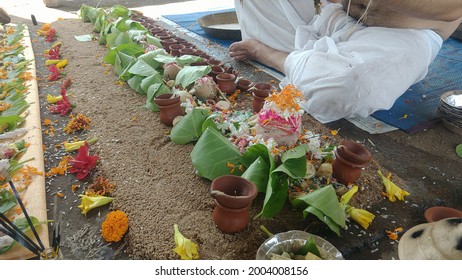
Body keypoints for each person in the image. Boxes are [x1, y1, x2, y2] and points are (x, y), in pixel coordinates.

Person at [229, 0, 462, 123]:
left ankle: (273, 56)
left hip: (404, 35)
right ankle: (314, 63)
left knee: (350, 86)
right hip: (338, 17)